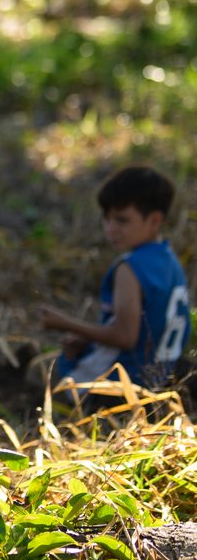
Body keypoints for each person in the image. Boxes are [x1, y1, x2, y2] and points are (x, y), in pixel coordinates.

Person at [39, 165, 190, 395]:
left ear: (154, 221)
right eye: (107, 219)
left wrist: (65, 323)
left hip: (124, 386)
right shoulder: (169, 260)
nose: (111, 229)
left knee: (43, 374)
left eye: (122, 220)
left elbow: (126, 337)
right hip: (165, 378)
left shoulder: (130, 268)